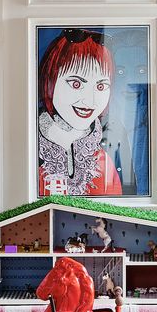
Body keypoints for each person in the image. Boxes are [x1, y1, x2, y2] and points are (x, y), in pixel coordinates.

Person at [37, 29, 122, 196]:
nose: (90, 101)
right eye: (76, 84)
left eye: (100, 86)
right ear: (50, 81)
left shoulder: (106, 159)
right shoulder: (28, 149)